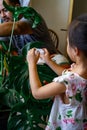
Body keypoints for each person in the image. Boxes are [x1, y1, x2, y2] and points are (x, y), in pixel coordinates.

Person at [26, 13, 87, 130]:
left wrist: (31, 63)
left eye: (68, 42)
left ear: (75, 50)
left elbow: (37, 93)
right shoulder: (77, 72)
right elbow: (66, 73)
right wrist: (49, 61)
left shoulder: (69, 80)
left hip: (66, 126)